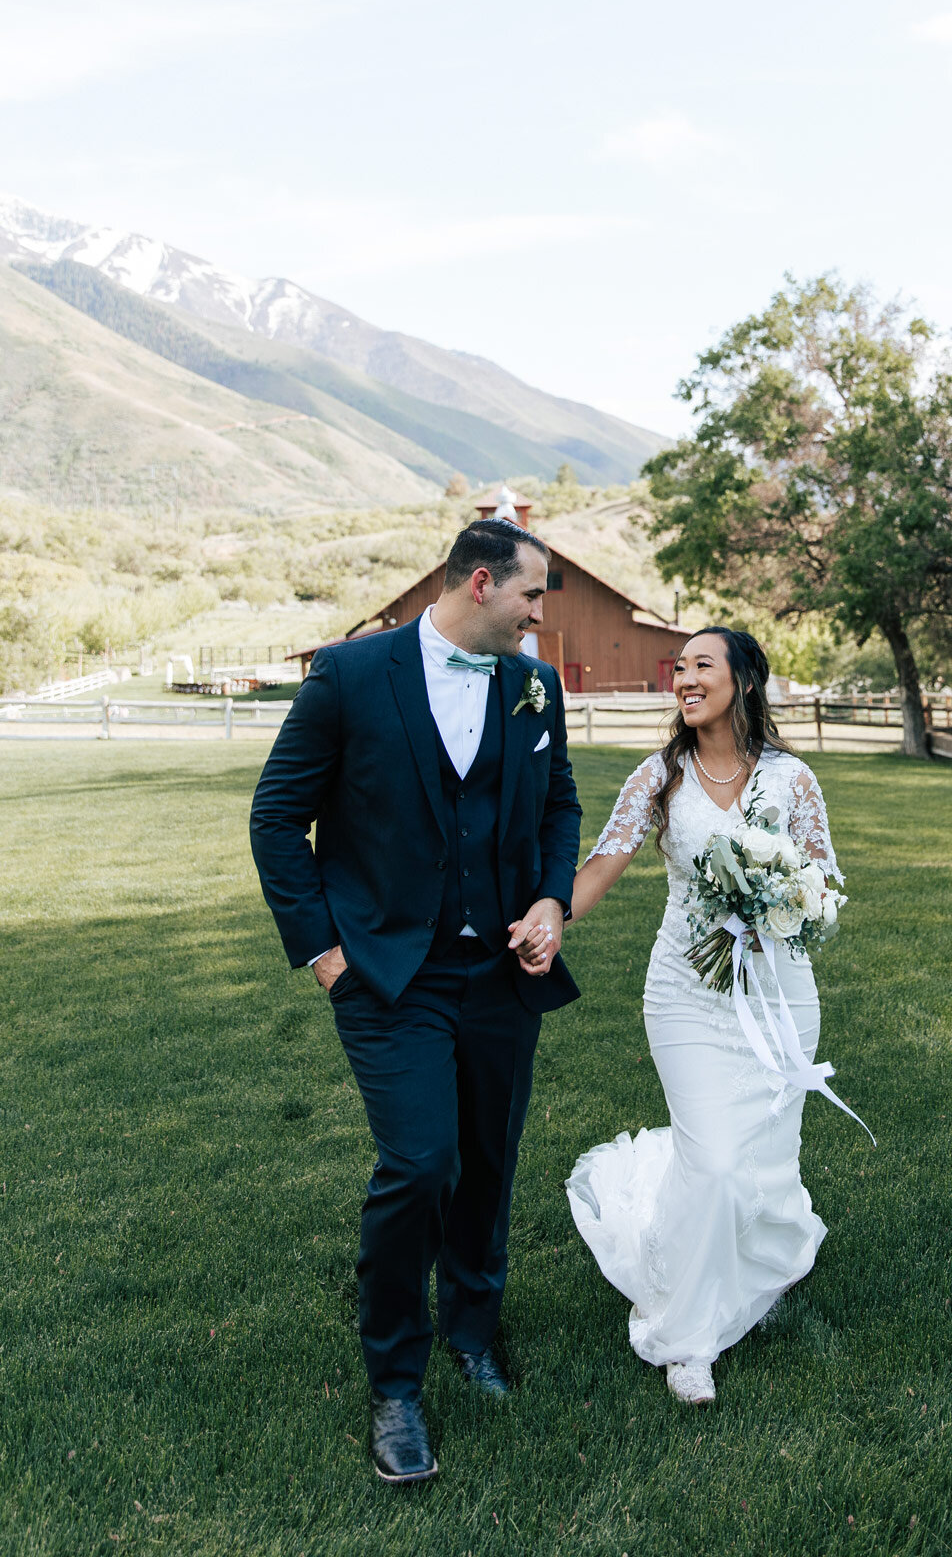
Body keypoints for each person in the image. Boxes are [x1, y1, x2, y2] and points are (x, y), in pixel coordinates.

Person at [249, 518, 580, 1485]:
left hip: (501, 972)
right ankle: (394, 1381)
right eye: (533, 594)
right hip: (388, 973)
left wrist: (551, 900)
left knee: (487, 1157)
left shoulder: (533, 686)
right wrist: (322, 951)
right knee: (421, 1161)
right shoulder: (351, 676)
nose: (539, 612)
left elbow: (557, 801)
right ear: (482, 583)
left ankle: (472, 1332)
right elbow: (277, 815)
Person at [539, 626, 841, 1406]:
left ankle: (760, 1260)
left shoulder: (792, 780)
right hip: (686, 994)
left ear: (742, 681)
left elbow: (824, 885)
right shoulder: (658, 777)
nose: (683, 679)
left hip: (778, 998)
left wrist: (778, 898)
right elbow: (604, 861)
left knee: (761, 1157)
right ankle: (687, 1339)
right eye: (678, 668)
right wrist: (548, 919)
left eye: (701, 666)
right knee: (708, 1160)